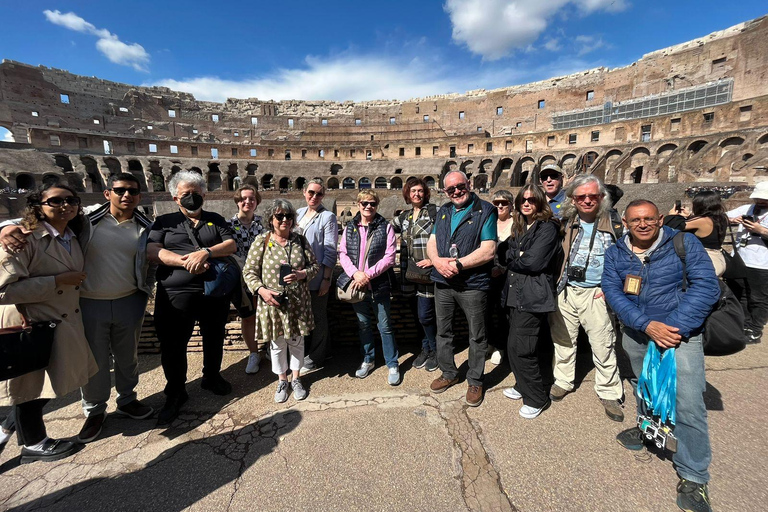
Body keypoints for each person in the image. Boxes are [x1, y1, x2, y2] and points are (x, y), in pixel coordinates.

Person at [0, 173, 156, 444]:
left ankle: (128, 400)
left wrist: (146, 290)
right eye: (119, 190)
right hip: (88, 302)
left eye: (132, 191)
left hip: (129, 299)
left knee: (127, 356)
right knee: (93, 361)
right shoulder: (87, 221)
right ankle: (95, 411)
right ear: (107, 193)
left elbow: (151, 259)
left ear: (140, 196)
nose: (126, 195)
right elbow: (36, 223)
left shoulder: (145, 225)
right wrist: (4, 228)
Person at [603, 199, 719, 512]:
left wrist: (672, 328)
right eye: (636, 220)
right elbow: (613, 291)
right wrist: (644, 324)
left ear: (661, 219)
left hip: (679, 336)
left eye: (649, 219)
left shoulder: (683, 242)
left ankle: (694, 473)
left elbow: (706, 286)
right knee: (645, 387)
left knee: (688, 403)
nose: (643, 224)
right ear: (625, 223)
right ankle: (648, 430)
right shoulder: (616, 252)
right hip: (639, 333)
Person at [0, 183, 98, 463]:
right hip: (33, 323)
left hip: (61, 321)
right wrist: (55, 282)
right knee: (32, 387)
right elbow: (2, 291)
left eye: (71, 200)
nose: (64, 205)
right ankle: (34, 443)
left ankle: (6, 428)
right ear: (38, 207)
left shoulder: (74, 233)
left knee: (48, 384)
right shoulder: (23, 238)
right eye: (55, 201)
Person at [147, 171, 237, 425]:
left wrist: (206, 252)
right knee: (173, 344)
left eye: (196, 194)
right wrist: (185, 261)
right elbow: (153, 251)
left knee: (214, 335)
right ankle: (175, 391)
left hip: (213, 291)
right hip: (176, 293)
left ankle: (211, 376)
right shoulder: (164, 222)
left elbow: (230, 244)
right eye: (186, 194)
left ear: (204, 196)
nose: (191, 198)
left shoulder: (214, 219)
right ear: (175, 197)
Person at [548, 175, 624, 422]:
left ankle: (609, 391)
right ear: (573, 199)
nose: (588, 200)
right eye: (582, 196)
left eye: (593, 196)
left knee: (603, 343)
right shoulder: (566, 222)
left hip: (597, 291)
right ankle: (563, 380)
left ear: (602, 198)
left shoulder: (614, 222)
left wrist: (612, 287)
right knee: (563, 340)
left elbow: (627, 258)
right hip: (567, 289)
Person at [426, 171, 497, 406]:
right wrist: (437, 262)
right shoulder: (444, 211)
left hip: (472, 283)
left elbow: (488, 250)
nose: (456, 191)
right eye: (450, 189)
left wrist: (458, 264)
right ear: (445, 192)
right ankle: (448, 373)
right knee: (443, 331)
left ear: (469, 184)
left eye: (460, 186)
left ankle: (475, 379)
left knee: (477, 334)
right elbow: (432, 242)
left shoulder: (485, 210)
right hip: (443, 282)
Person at [243, 200, 318, 402]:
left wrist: (302, 274)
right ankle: (282, 380)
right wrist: (262, 291)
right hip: (272, 302)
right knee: (276, 344)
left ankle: (296, 378)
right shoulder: (262, 241)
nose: (285, 220)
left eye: (288, 216)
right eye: (279, 216)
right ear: (271, 219)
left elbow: (314, 266)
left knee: (296, 342)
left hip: (297, 302)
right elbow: (249, 272)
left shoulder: (300, 241)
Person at [501, 185, 562, 419]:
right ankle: (521, 385)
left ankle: (537, 397)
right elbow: (505, 253)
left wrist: (516, 257)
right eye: (523, 200)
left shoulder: (547, 227)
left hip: (533, 296)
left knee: (523, 348)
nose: (527, 203)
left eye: (532, 200)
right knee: (514, 345)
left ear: (539, 203)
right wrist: (518, 256)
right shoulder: (520, 225)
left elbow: (534, 263)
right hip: (516, 294)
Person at [338, 190, 400, 385]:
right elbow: (343, 253)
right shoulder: (350, 227)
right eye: (364, 203)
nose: (368, 207)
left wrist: (368, 275)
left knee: (385, 326)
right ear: (358, 204)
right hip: (357, 284)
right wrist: (356, 274)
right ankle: (368, 359)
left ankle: (392, 363)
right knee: (363, 325)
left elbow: (390, 256)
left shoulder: (385, 226)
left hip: (378, 284)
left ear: (377, 205)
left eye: (372, 203)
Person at [392, 177, 438, 372]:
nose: (416, 194)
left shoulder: (435, 212)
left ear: (425, 193)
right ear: (407, 195)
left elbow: (444, 236)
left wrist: (434, 259)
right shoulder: (404, 217)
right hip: (408, 271)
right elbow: (383, 227)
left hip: (427, 270)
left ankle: (435, 350)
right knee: (415, 313)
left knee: (425, 314)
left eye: (420, 191)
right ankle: (425, 348)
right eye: (413, 191)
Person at [295, 179, 338, 374]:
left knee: (318, 317)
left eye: (319, 194)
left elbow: (330, 250)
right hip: (299, 276)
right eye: (311, 192)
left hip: (318, 276)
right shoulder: (298, 213)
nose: (314, 197)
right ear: (304, 192)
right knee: (304, 317)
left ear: (323, 196)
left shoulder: (327, 217)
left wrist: (327, 279)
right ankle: (324, 352)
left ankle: (315, 358)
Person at [228, 185, 264, 374]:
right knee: (249, 317)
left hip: (263, 278)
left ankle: (271, 350)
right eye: (243, 198)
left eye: (252, 198)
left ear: (257, 202)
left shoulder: (263, 224)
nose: (248, 202)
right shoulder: (228, 225)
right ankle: (253, 353)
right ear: (237, 201)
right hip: (241, 280)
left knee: (265, 314)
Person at [726, 181, 768, 343]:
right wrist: (732, 220)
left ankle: (755, 330)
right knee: (739, 296)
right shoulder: (748, 209)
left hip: (762, 264)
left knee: (759, 299)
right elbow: (722, 217)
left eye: (764, 200)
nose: (760, 203)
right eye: (758, 199)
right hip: (740, 260)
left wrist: (761, 230)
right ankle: (743, 325)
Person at [665, 190, 728, 277]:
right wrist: (690, 216)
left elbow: (673, 225)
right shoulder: (722, 218)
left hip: (706, 261)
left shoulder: (703, 221)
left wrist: (671, 216)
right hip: (717, 258)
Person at [488, 189, 515, 365]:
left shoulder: (518, 224)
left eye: (504, 203)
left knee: (504, 313)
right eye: (496, 203)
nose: (500, 206)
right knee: (486, 312)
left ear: (511, 205)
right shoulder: (489, 223)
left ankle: (501, 347)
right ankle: (490, 343)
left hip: (509, 277)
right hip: (488, 276)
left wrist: (503, 269)